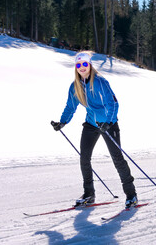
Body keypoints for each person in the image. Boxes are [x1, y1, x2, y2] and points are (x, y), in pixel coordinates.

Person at [52, 51, 137, 208]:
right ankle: (89, 194)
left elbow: (113, 104)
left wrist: (108, 122)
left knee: (117, 158)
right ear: (76, 68)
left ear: (89, 65)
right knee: (84, 158)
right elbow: (70, 106)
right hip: (91, 124)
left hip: (108, 124)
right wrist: (62, 122)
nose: (82, 68)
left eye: (85, 64)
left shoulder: (99, 82)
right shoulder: (75, 86)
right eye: (79, 65)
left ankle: (131, 195)